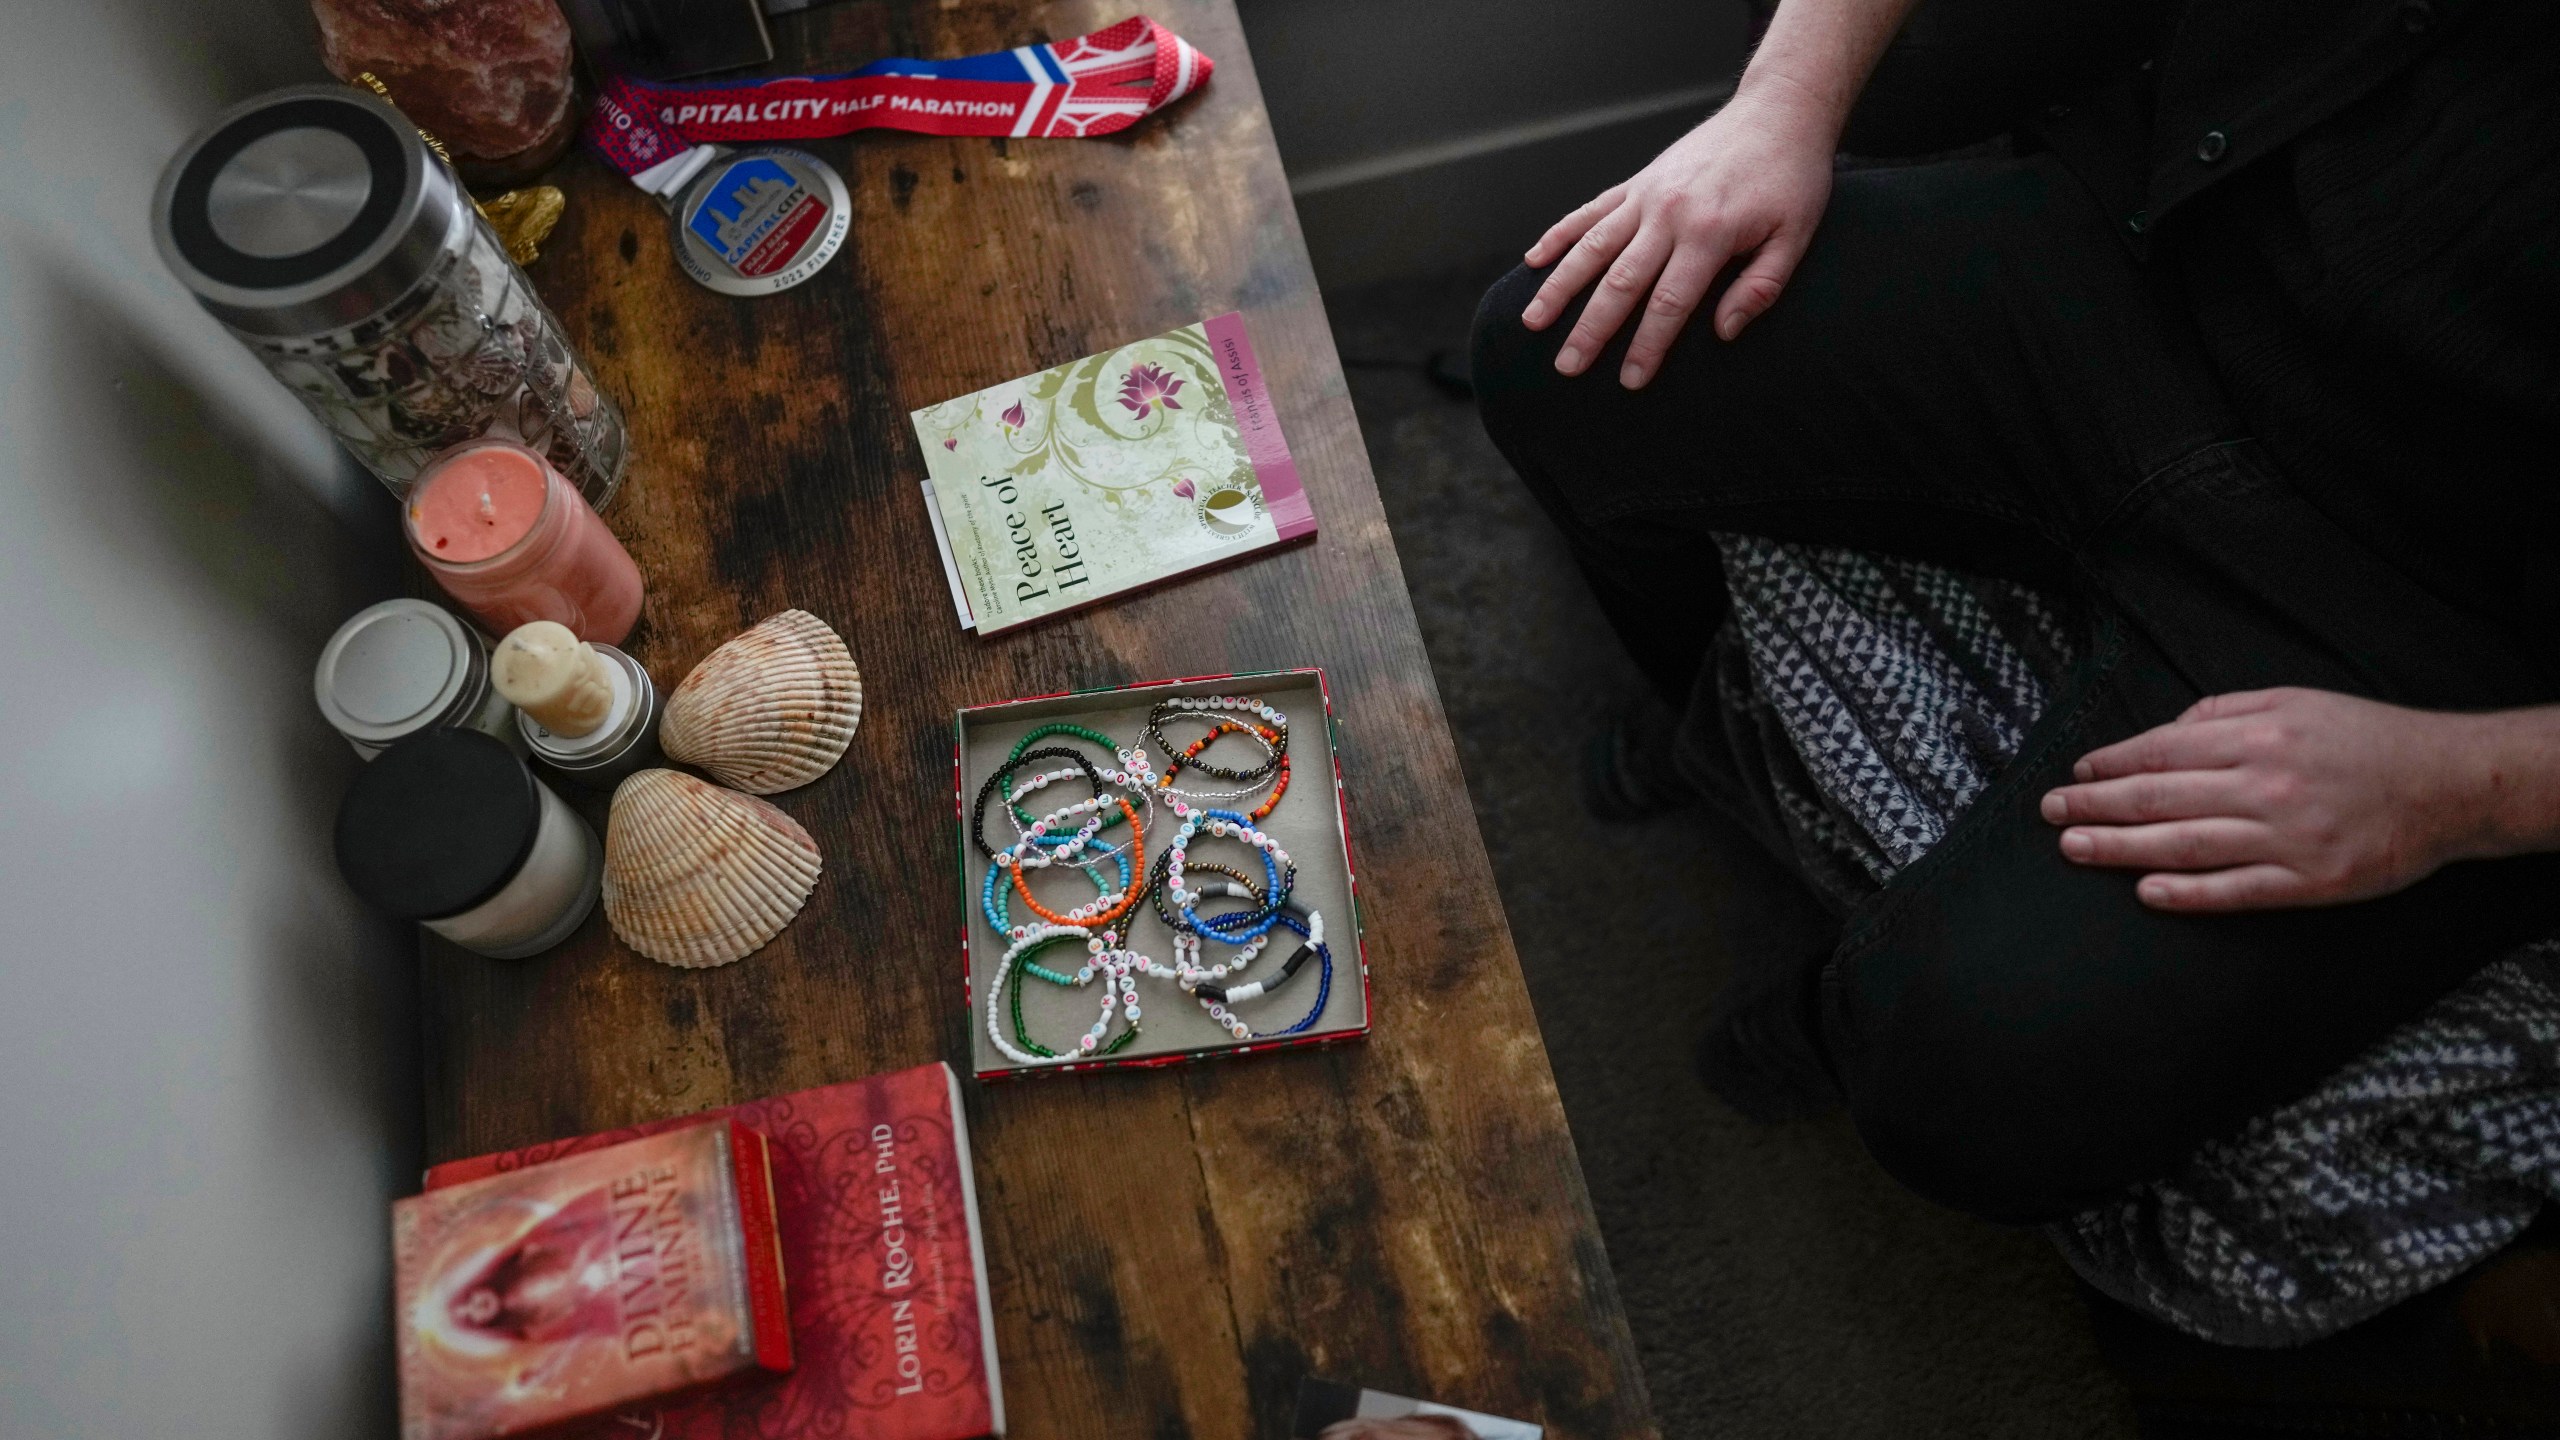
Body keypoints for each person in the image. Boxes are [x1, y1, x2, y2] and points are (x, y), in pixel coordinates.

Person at [1470, 0, 2560, 1224]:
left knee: (1970, 1077)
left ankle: (1843, 1005)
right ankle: (1719, 735)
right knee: (1552, 344)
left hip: (2446, 613)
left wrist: (2463, 788)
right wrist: (1777, 109)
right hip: (2179, 241)